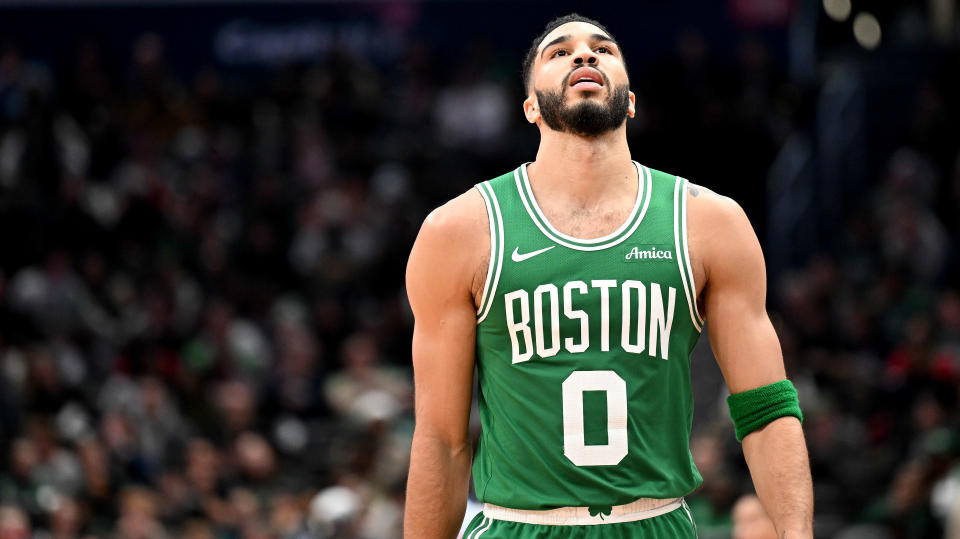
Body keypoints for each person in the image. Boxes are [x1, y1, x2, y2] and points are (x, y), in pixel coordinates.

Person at [404, 13, 813, 538]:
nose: (584, 55)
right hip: (517, 524)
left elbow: (766, 408)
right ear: (529, 106)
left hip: (656, 522)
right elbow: (441, 438)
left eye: (603, 49)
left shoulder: (709, 223)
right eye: (559, 52)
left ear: (632, 99)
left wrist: (797, 533)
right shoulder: (459, 231)